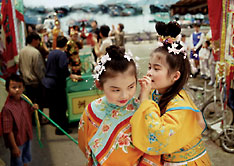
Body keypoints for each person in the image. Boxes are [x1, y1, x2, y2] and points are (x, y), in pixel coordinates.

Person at [130, 21, 211, 166]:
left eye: (156, 68)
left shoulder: (180, 105)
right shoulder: (157, 93)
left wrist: (144, 99)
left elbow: (159, 135)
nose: (149, 72)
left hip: (184, 162)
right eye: (149, 67)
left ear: (175, 76)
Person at [78, 45, 161, 166]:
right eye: (116, 90)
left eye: (131, 87)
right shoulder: (91, 111)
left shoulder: (143, 110)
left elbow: (154, 147)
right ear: (99, 85)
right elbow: (84, 144)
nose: (125, 95)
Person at [42, 36, 80, 135]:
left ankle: (54, 122)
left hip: (48, 82)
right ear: (65, 45)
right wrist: (70, 75)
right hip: (57, 83)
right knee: (61, 107)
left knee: (53, 106)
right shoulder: (61, 54)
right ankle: (61, 128)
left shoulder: (51, 53)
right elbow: (62, 67)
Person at [1, 74, 38, 166]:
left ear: (23, 88)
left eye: (20, 87)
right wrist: (14, 147)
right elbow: (8, 131)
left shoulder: (24, 102)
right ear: (7, 89)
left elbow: (26, 115)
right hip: (17, 142)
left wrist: (32, 109)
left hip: (26, 137)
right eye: (14, 87)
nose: (17, 89)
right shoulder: (7, 108)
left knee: (25, 159)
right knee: (17, 162)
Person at [18, 32, 46, 125]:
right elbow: (38, 70)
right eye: (38, 40)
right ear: (34, 40)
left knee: (29, 102)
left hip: (25, 81)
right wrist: (43, 80)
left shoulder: (22, 51)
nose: (38, 42)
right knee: (38, 102)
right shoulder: (35, 52)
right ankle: (38, 120)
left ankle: (30, 120)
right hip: (35, 82)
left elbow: (20, 66)